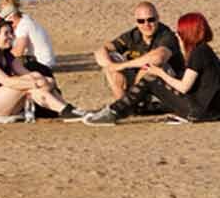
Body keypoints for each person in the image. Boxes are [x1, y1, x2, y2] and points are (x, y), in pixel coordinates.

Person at [84, 13, 220, 125]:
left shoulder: (198, 53)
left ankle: (114, 111)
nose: (178, 35)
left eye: (180, 32)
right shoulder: (206, 51)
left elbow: (184, 87)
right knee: (148, 105)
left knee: (151, 78)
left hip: (199, 112)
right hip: (212, 110)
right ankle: (129, 107)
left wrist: (160, 73)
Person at [0, 14, 83, 122]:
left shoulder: (6, 55)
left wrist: (44, 80)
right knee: (27, 86)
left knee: (34, 78)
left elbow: (27, 73)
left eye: (11, 32)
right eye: (6, 33)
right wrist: (36, 84)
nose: (11, 37)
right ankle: (66, 111)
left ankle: (68, 109)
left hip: (3, 100)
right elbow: (7, 81)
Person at [91, 1, 184, 105]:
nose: (146, 24)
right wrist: (112, 66)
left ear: (158, 18)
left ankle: (135, 100)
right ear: (136, 22)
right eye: (141, 21)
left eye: (151, 20)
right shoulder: (132, 35)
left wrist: (122, 66)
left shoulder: (167, 35)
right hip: (137, 84)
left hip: (168, 86)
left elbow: (159, 57)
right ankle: (122, 105)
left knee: (149, 66)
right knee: (111, 61)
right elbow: (100, 51)